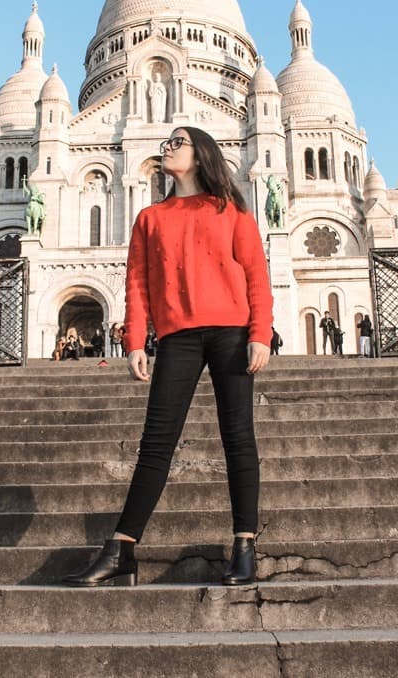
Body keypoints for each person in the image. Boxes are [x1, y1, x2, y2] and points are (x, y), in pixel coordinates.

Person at [62, 126, 273, 588]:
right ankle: (122, 548)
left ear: (201, 154)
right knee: (156, 444)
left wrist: (260, 333)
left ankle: (244, 544)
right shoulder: (150, 218)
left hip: (231, 333)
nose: (168, 148)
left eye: (177, 142)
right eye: (167, 144)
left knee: (238, 437)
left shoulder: (232, 210)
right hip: (177, 336)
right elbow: (136, 282)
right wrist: (135, 340)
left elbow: (256, 274)